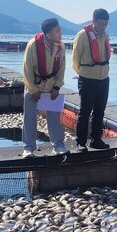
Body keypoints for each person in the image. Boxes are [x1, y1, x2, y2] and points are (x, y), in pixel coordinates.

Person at [22, 18, 68, 158]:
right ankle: (28, 147)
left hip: (51, 85)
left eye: (60, 29)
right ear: (48, 34)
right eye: (57, 31)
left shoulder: (61, 46)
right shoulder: (33, 45)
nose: (60, 33)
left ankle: (58, 145)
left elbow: (62, 67)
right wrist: (33, 90)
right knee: (29, 117)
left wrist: (57, 86)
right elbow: (27, 69)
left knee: (54, 115)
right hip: (34, 85)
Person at [72, 9, 111, 151]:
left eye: (106, 24)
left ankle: (96, 139)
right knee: (85, 111)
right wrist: (82, 73)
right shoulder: (82, 35)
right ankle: (80, 142)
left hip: (104, 78)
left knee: (100, 111)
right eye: (100, 23)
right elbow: (75, 58)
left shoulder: (105, 35)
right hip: (88, 78)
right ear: (93, 21)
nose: (103, 26)